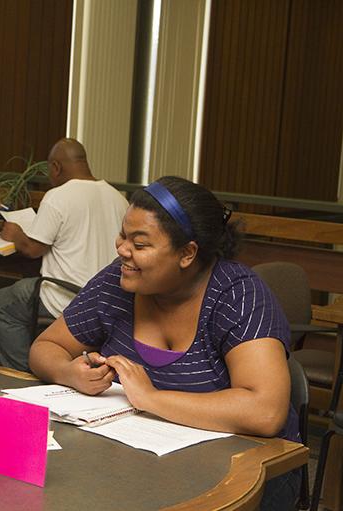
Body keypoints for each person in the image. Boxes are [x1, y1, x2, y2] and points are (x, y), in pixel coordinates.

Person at [29, 176, 301, 510]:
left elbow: (266, 411)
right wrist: (69, 372)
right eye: (123, 236)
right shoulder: (119, 282)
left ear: (187, 253)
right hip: (139, 466)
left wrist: (152, 398)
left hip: (242, 481)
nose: (122, 250)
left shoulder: (239, 295)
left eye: (140, 244)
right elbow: (45, 347)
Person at [0, 138, 128, 372]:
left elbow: (33, 249)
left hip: (64, 295)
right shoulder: (118, 198)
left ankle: (22, 375)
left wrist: (15, 234)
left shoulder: (58, 196)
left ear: (56, 167)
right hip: (107, 300)